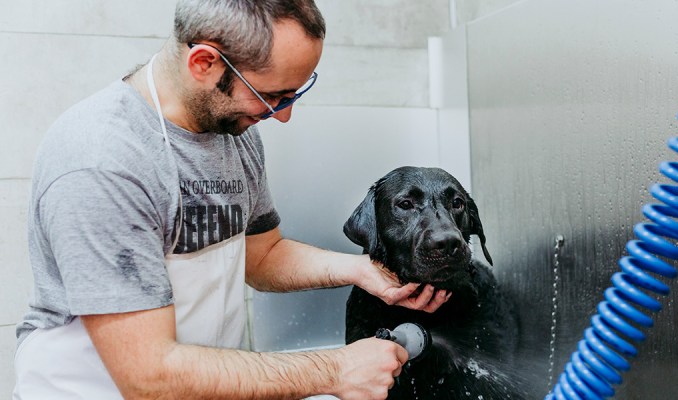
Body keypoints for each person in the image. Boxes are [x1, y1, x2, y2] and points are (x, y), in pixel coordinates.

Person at [13, 1, 450, 399]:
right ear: (204, 62)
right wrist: (333, 369)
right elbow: (149, 376)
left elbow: (261, 256)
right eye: (272, 96)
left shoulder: (234, 136)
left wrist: (362, 271)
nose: (283, 115)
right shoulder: (105, 161)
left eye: (296, 93)